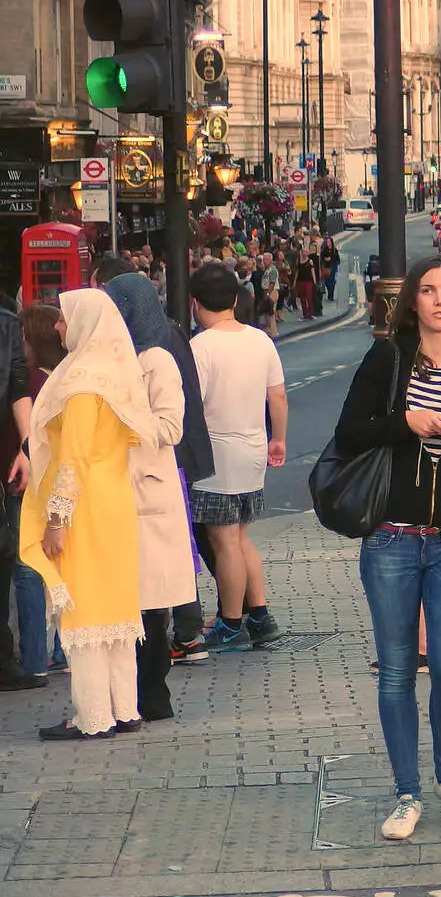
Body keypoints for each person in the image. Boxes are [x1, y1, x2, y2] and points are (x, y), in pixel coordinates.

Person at [334, 254, 441, 841]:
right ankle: (406, 792)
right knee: (397, 669)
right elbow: (348, 433)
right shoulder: (389, 358)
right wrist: (403, 422)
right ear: (412, 301)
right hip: (391, 538)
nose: (438, 300)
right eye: (428, 290)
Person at [20, 289, 157, 739]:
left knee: (83, 609)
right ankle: (125, 708)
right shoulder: (116, 376)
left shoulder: (80, 383)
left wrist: (56, 521)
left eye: (64, 319)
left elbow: (72, 460)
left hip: (85, 507)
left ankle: (92, 716)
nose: (59, 327)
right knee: (115, 608)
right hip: (114, 500)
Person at [104, 274, 198, 721]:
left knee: (152, 602)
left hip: (149, 492)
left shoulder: (157, 359)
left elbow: (171, 428)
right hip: (118, 490)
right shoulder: (111, 357)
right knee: (130, 598)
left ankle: (153, 691)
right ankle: (131, 693)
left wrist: (123, 421)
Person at [188, 263, 287, 653]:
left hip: (216, 451)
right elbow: (277, 396)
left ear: (195, 303)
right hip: (253, 446)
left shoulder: (200, 347)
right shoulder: (260, 340)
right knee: (242, 535)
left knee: (223, 539)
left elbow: (190, 406)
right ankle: (259, 614)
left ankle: (231, 622)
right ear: (234, 299)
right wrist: (277, 439)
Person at [9, 306, 67, 682]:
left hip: (33, 481)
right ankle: (63, 647)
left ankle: (34, 659)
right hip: (62, 479)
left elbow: (28, 435)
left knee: (27, 567)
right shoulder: (62, 376)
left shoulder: (28, 379)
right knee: (60, 563)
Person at [0, 294, 37, 692]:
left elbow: (17, 383)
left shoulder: (6, 323)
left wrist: (27, 447)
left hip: (4, 456)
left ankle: (3, 659)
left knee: (6, 551)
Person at [259, 253, 281, 336]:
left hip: (272, 292)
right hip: (266, 291)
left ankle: (273, 331)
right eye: (264, 260)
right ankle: (268, 330)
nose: (265, 261)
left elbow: (272, 282)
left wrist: (268, 293)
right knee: (267, 312)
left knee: (271, 312)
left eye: (267, 260)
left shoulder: (272, 270)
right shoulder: (266, 269)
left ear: (271, 260)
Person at [321, 235, 341, 305]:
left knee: (333, 282)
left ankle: (331, 296)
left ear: (331, 242)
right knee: (327, 282)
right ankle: (330, 294)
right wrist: (325, 259)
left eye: (329, 242)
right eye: (327, 242)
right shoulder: (325, 250)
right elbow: (321, 257)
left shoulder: (334, 250)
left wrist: (332, 260)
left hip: (333, 268)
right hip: (327, 268)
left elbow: (338, 260)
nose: (328, 243)